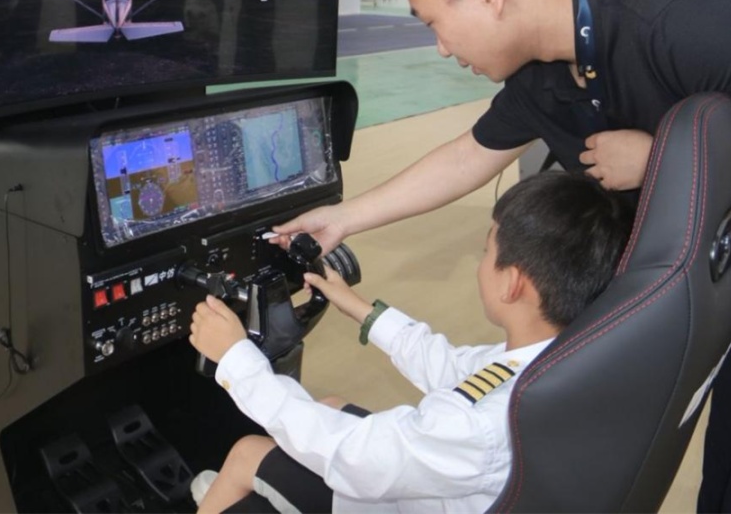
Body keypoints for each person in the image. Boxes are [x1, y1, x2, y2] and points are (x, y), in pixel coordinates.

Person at [269, 0, 731, 512]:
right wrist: (343, 219)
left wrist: (661, 161)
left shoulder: (685, 18)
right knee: (730, 477)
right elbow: (469, 156)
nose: (441, 47)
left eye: (435, 23)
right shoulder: (547, 69)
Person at [188, 171, 635, 513]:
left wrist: (237, 359)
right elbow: (454, 369)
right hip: (467, 492)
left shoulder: (478, 424)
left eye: (487, 252)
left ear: (512, 284)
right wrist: (358, 307)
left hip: (430, 497)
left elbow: (355, 458)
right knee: (331, 406)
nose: (481, 263)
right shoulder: (554, 360)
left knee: (247, 454)